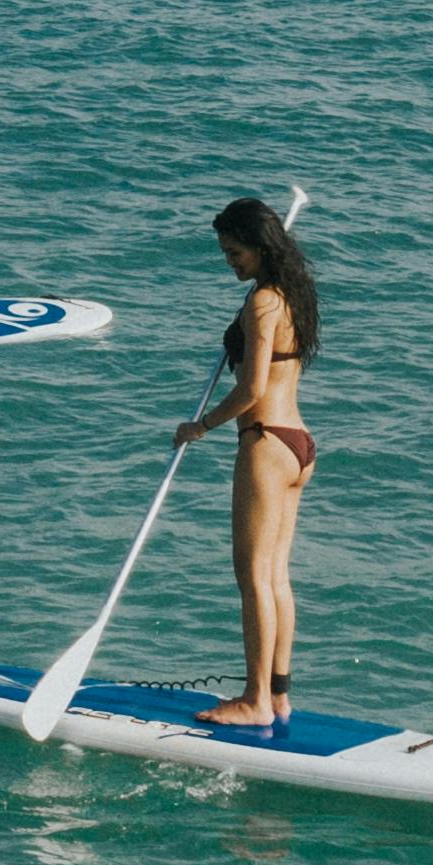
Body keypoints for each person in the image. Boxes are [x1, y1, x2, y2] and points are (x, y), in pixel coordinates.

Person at [171, 193, 321, 728]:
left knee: (253, 576)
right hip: (298, 444)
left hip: (263, 440)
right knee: (276, 575)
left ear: (260, 248)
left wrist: (201, 426)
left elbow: (252, 388)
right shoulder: (292, 295)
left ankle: (255, 700)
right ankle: (278, 696)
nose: (229, 261)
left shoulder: (262, 304)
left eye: (235, 253)